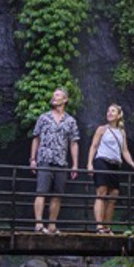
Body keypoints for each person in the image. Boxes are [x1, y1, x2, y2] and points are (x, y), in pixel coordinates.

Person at [86, 104, 134, 234]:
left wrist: (133, 164)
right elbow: (94, 146)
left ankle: (107, 227)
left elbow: (124, 151)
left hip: (115, 164)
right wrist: (89, 164)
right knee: (101, 192)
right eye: (108, 111)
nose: (109, 113)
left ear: (119, 115)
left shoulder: (122, 132)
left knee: (113, 195)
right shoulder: (101, 129)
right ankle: (99, 227)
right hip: (101, 161)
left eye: (112, 111)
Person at [28, 87, 79, 234]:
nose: (54, 97)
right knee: (41, 192)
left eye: (57, 95)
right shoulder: (43, 117)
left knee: (57, 195)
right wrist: (32, 159)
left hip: (61, 161)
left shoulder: (70, 121)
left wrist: (75, 165)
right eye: (53, 95)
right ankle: (38, 224)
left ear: (65, 100)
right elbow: (36, 138)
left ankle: (52, 225)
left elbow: (74, 143)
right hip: (44, 158)